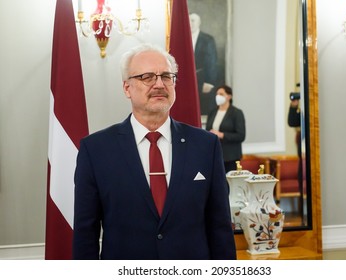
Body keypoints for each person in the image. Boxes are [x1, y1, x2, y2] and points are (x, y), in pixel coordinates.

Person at [72, 44, 236, 260]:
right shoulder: (95, 150)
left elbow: (220, 227)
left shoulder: (206, 145)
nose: (159, 84)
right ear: (127, 88)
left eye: (167, 76)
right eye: (147, 77)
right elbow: (85, 235)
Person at [205, 85, 246, 173]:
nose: (218, 96)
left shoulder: (236, 113)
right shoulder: (213, 112)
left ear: (229, 96)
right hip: (214, 155)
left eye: (221, 94)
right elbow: (207, 130)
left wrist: (221, 135)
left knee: (228, 184)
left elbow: (241, 135)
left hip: (230, 157)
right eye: (217, 94)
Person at [189, 13, 218, 115]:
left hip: (203, 80)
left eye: (193, 20)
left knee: (203, 110)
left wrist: (209, 82)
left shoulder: (208, 39)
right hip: (188, 81)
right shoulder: (183, 39)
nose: (190, 23)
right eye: (188, 20)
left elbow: (212, 62)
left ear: (199, 22)